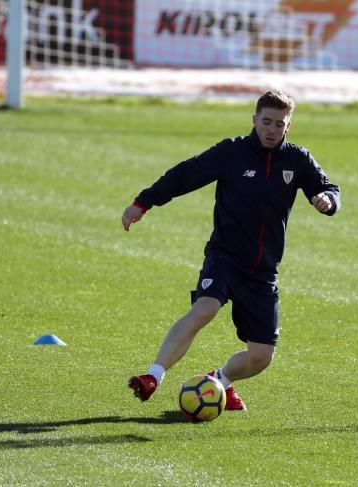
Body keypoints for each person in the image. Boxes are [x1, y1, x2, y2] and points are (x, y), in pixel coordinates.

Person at [122, 90, 341, 412]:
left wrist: (328, 200)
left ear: (288, 126)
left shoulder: (297, 159)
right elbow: (184, 175)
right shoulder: (232, 152)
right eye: (266, 122)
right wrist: (143, 203)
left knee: (261, 357)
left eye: (279, 124)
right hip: (225, 257)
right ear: (254, 120)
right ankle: (153, 376)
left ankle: (219, 380)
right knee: (205, 308)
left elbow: (327, 188)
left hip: (263, 270)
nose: (271, 129)